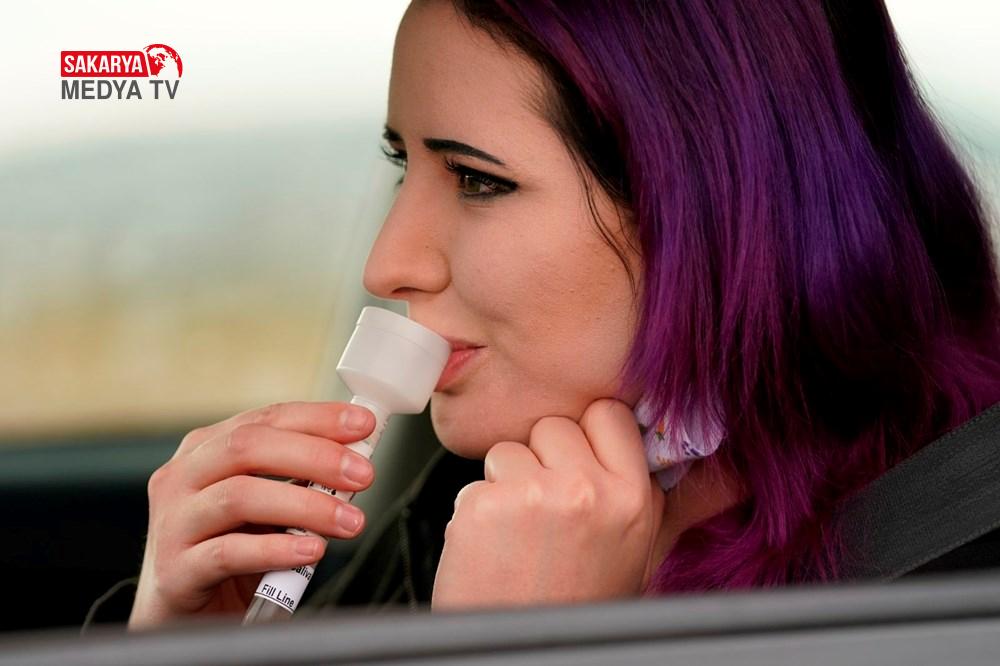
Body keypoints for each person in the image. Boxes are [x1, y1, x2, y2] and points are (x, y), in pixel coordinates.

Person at [123, 0, 1000, 629]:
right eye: (403, 166)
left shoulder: (952, 571)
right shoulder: (479, 504)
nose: (387, 264)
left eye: (478, 180)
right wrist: (181, 646)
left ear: (711, 212)